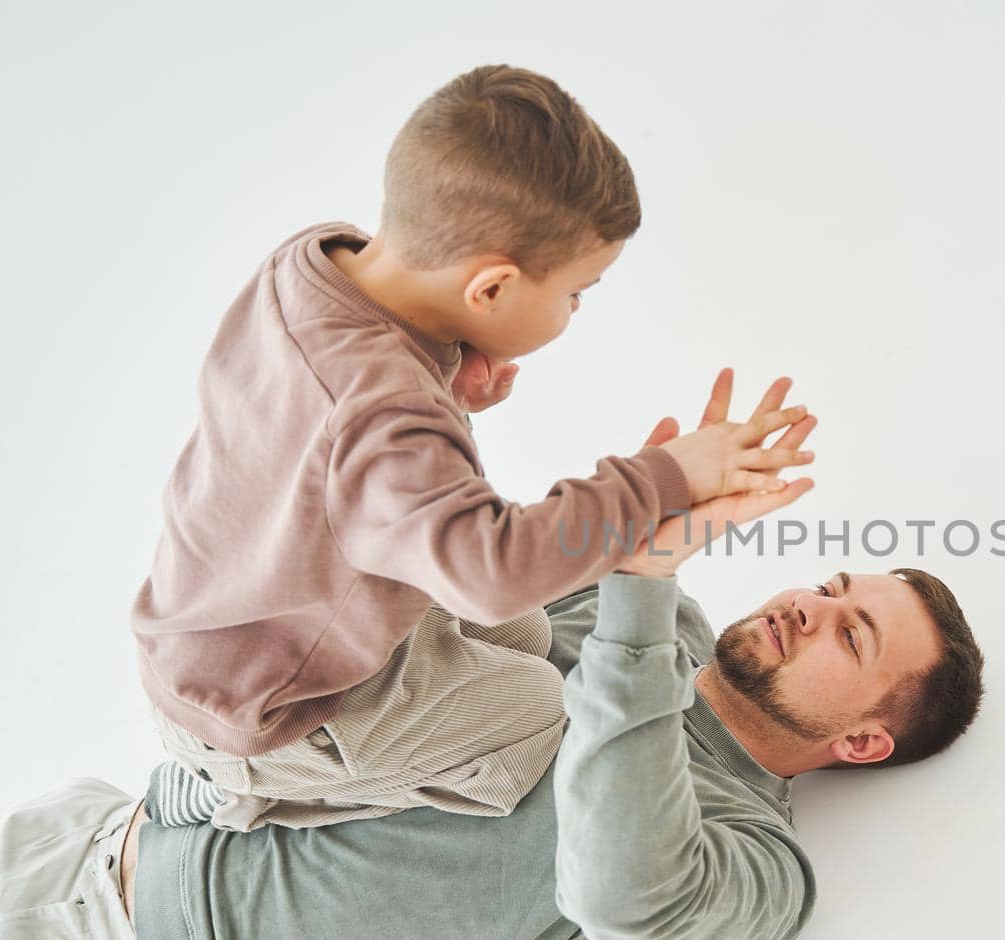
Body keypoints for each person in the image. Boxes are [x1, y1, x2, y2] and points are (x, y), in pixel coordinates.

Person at [0, 483, 986, 940]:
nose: (806, 604)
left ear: (859, 740)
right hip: (84, 835)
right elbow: (449, 577)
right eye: (828, 583)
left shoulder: (759, 871)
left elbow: (622, 887)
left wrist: (641, 586)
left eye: (849, 632)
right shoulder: (643, 614)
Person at [129, 63, 814, 833]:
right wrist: (666, 478)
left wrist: (442, 377)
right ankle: (244, 793)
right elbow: (494, 572)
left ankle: (266, 757)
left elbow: (326, 437)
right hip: (272, 704)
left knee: (533, 637)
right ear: (489, 289)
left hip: (236, 615)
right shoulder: (388, 416)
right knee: (535, 708)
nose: (577, 309)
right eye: (576, 292)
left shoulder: (314, 262)